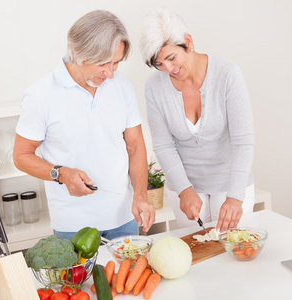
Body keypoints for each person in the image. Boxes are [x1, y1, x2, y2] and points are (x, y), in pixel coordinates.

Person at [13, 10, 155, 240]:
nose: (110, 73)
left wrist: (140, 196)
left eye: (116, 63)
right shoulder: (40, 95)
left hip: (124, 220)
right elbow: (21, 156)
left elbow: (135, 146)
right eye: (102, 64)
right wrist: (62, 174)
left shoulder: (123, 87)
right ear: (76, 52)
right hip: (72, 226)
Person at [139, 7, 255, 232]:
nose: (168, 69)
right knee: (197, 254)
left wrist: (234, 197)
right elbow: (163, 145)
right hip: (185, 188)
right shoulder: (154, 86)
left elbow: (243, 142)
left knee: (233, 253)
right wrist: (184, 190)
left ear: (188, 42)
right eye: (159, 64)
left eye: (171, 58)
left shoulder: (228, 74)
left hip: (230, 182)